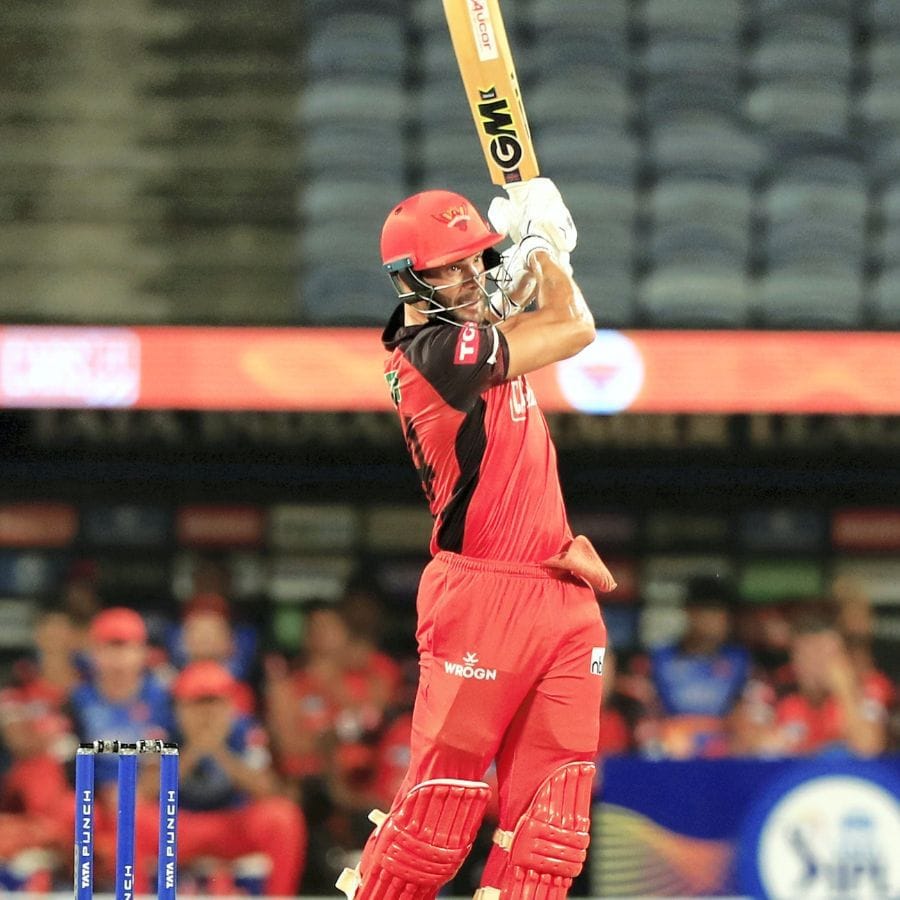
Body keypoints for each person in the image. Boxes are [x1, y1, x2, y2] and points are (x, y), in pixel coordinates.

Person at [337, 180, 616, 900]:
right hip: (482, 596)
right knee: (437, 818)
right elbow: (573, 327)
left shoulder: (468, 329)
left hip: (561, 588)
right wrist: (544, 252)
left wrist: (535, 255)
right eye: (447, 268)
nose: (466, 277)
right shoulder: (431, 353)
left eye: (473, 261)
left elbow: (515, 307)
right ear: (407, 280)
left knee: (551, 832)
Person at [137, 660, 306, 896]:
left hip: (231, 823)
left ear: (230, 705)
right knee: (134, 817)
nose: (206, 713)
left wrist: (219, 751)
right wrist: (194, 750)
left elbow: (268, 790)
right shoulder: (161, 732)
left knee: (284, 817)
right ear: (179, 707)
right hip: (178, 825)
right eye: (197, 704)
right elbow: (144, 792)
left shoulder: (246, 731)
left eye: (215, 703)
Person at [645, 576, 749, 758]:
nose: (719, 621)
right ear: (691, 612)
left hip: (724, 755)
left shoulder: (739, 661)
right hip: (671, 754)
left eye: (723, 613)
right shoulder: (661, 660)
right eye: (711, 611)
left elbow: (744, 714)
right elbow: (648, 714)